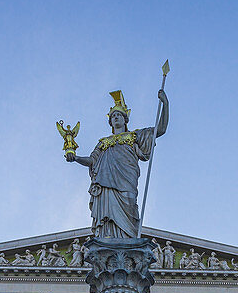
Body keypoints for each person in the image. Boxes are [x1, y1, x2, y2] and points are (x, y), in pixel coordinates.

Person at [65, 89, 169, 239]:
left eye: (119, 115)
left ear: (125, 119)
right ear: (110, 121)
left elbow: (161, 129)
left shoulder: (134, 136)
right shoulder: (103, 143)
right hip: (106, 185)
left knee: (129, 209)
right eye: (113, 116)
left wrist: (165, 103)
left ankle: (129, 243)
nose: (116, 118)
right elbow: (92, 161)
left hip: (126, 182)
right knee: (107, 219)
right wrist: (75, 158)